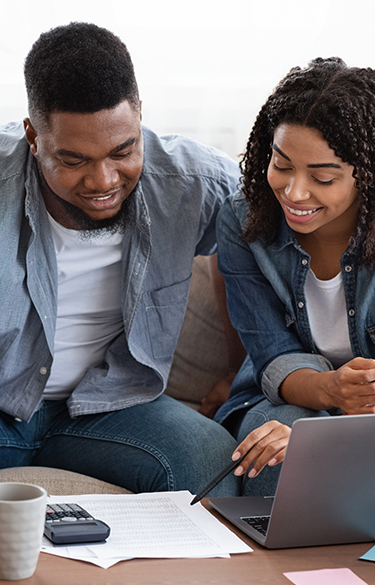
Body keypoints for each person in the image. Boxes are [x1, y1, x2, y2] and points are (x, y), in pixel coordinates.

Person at [0, 21, 243, 496]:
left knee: (211, 459)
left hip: (111, 409)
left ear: (138, 117)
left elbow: (252, 245)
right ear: (33, 135)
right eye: (73, 160)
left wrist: (239, 368)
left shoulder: (195, 183)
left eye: (122, 151)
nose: (103, 180)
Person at [214, 57, 375, 496]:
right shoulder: (244, 220)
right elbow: (272, 352)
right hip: (286, 396)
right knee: (277, 451)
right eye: (282, 165)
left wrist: (333, 430)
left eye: (322, 177)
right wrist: (330, 396)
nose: (294, 192)